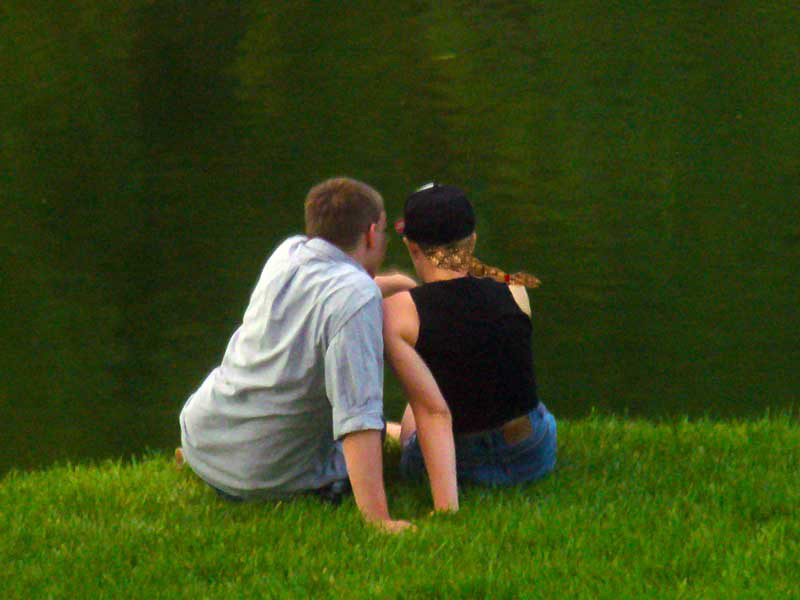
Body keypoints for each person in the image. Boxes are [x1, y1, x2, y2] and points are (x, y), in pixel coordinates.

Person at [178, 177, 414, 533]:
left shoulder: (287, 255)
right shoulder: (357, 297)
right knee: (373, 433)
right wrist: (378, 519)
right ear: (369, 234)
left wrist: (396, 282)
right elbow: (358, 416)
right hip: (264, 477)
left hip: (203, 440)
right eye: (384, 231)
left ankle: (210, 464)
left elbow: (335, 283)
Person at [383, 183, 557, 512]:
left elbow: (433, 412)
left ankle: (391, 433)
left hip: (462, 464)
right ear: (473, 240)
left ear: (412, 248)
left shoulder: (398, 314)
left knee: (417, 402)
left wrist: (386, 281)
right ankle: (391, 432)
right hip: (532, 452)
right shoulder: (514, 287)